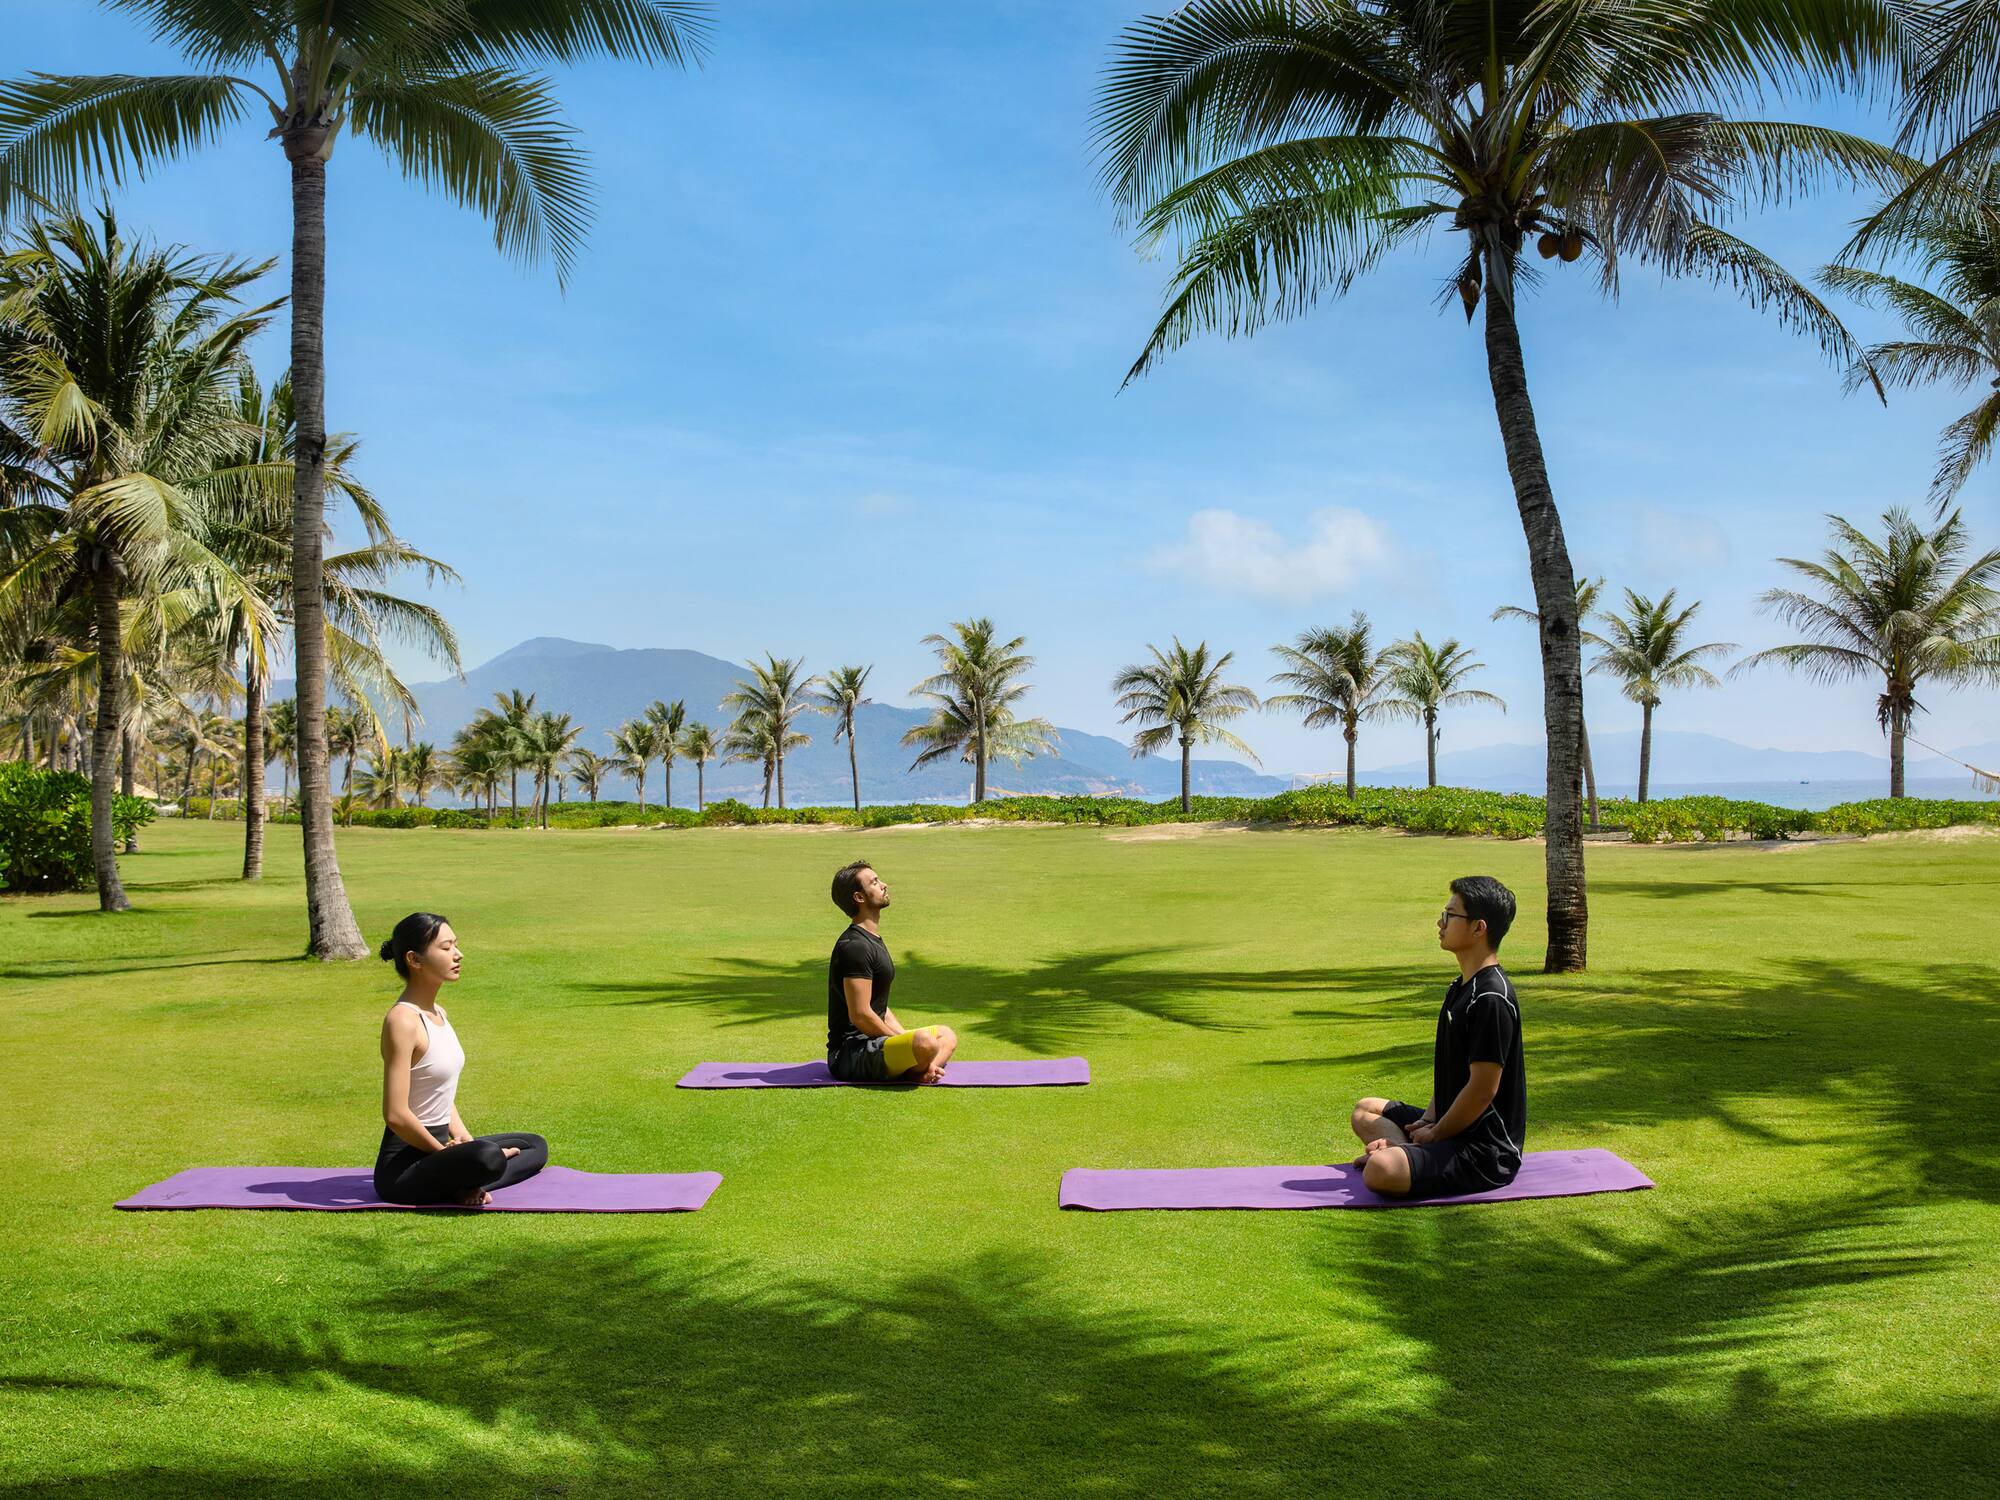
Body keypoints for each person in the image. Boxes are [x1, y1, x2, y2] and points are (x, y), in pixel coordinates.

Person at [1349, 876, 1527, 1198]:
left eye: (1449, 915)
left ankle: (1397, 1155)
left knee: (1380, 1170)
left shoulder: (1490, 999)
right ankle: (1403, 1150)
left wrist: (1437, 1133)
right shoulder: (1460, 988)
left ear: (1478, 928)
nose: (1440, 922)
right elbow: (1451, 1069)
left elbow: (1482, 1090)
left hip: (1484, 1151)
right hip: (1450, 1126)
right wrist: (1429, 1120)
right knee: (1366, 1110)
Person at [373, 912, 548, 1207]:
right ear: (415, 960)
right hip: (405, 1167)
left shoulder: (440, 1013)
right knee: (488, 1157)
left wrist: (464, 1138)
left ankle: (466, 1183)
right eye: (446, 948)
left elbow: (438, 1089)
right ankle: (467, 1179)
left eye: (455, 945)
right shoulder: (402, 1020)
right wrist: (444, 1153)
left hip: (444, 1148)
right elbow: (396, 1114)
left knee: (533, 1146)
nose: (458, 954)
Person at [826, 861, 959, 1083]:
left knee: (946, 1034)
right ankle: (919, 1068)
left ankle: (923, 1070)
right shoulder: (855, 946)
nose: (884, 885)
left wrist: (905, 1040)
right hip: (851, 1054)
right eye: (875, 882)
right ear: (859, 897)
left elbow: (880, 1007)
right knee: (925, 1042)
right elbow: (860, 1015)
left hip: (876, 1045)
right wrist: (904, 1042)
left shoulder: (872, 940)